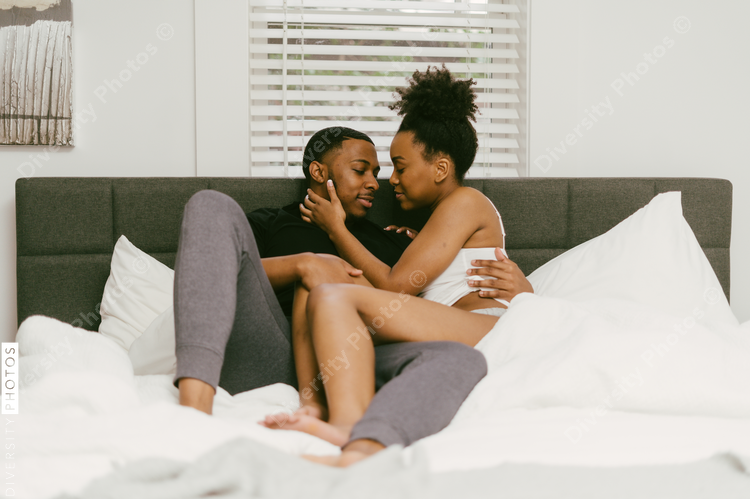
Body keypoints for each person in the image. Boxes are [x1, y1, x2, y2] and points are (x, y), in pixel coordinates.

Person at [174, 127, 531, 458]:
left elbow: (418, 299)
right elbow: (209, 269)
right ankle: (193, 409)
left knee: (455, 357)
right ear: (318, 172)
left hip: (347, 364)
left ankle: (345, 432)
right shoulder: (270, 221)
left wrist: (525, 290)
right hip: (265, 345)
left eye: (379, 172)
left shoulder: (395, 242)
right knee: (210, 205)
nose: (377, 183)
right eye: (361, 170)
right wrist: (302, 263)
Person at [278, 65, 534, 466]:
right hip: (450, 331)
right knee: (313, 284)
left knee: (332, 298)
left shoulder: (465, 202)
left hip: (485, 326)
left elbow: (398, 287)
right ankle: (313, 407)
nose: (390, 180)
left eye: (400, 166)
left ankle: (348, 428)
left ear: (441, 169)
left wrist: (336, 229)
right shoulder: (432, 221)